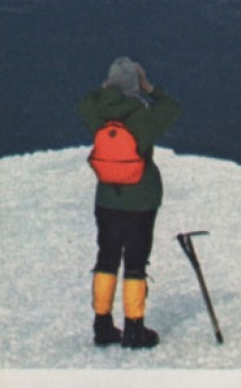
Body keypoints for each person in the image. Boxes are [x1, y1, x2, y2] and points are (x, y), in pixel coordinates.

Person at [78, 57, 182, 349]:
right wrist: (149, 87)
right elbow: (173, 108)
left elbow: (85, 101)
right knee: (135, 261)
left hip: (107, 198)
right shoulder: (143, 116)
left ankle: (102, 325)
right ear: (134, 85)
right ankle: (135, 329)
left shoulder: (95, 112)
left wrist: (106, 89)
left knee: (106, 258)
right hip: (141, 199)